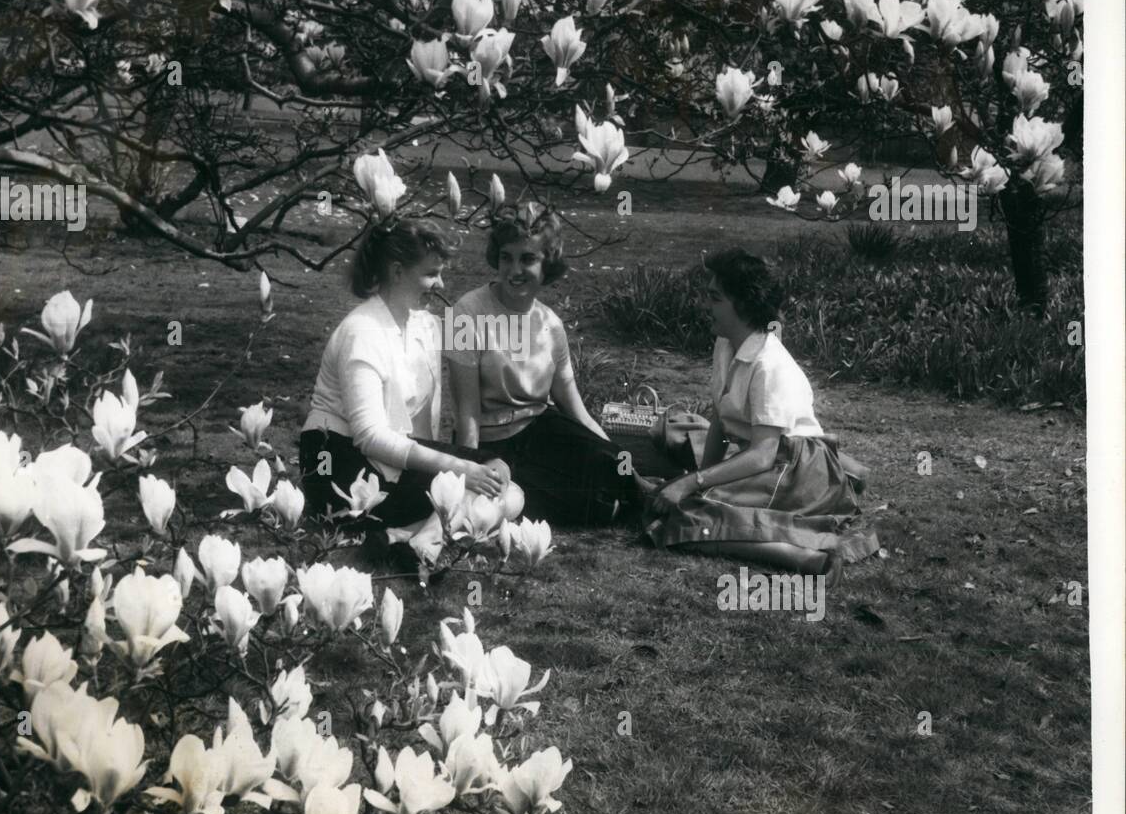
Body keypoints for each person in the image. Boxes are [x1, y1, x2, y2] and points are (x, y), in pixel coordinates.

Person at [641, 248, 879, 584]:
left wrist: (691, 485)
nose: (704, 305)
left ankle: (807, 558)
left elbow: (764, 454)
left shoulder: (769, 364)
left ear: (743, 304)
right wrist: (699, 477)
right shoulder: (726, 344)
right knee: (681, 501)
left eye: (714, 298)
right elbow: (721, 419)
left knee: (688, 513)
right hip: (771, 460)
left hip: (797, 468)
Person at [299, 218, 510, 537]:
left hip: (390, 457)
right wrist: (459, 467)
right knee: (495, 493)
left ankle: (409, 537)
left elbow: (477, 339)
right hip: (341, 463)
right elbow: (370, 436)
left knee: (501, 475)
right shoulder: (362, 332)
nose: (440, 284)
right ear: (397, 272)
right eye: (431, 274)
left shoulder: (422, 324)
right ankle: (425, 540)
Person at [446, 203, 635, 527]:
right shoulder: (466, 313)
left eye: (528, 259)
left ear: (547, 262)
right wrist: (470, 471)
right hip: (493, 442)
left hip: (541, 432)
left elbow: (575, 409)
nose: (514, 270)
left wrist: (617, 456)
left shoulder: (551, 324)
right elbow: (467, 414)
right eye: (507, 257)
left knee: (617, 468)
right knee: (596, 508)